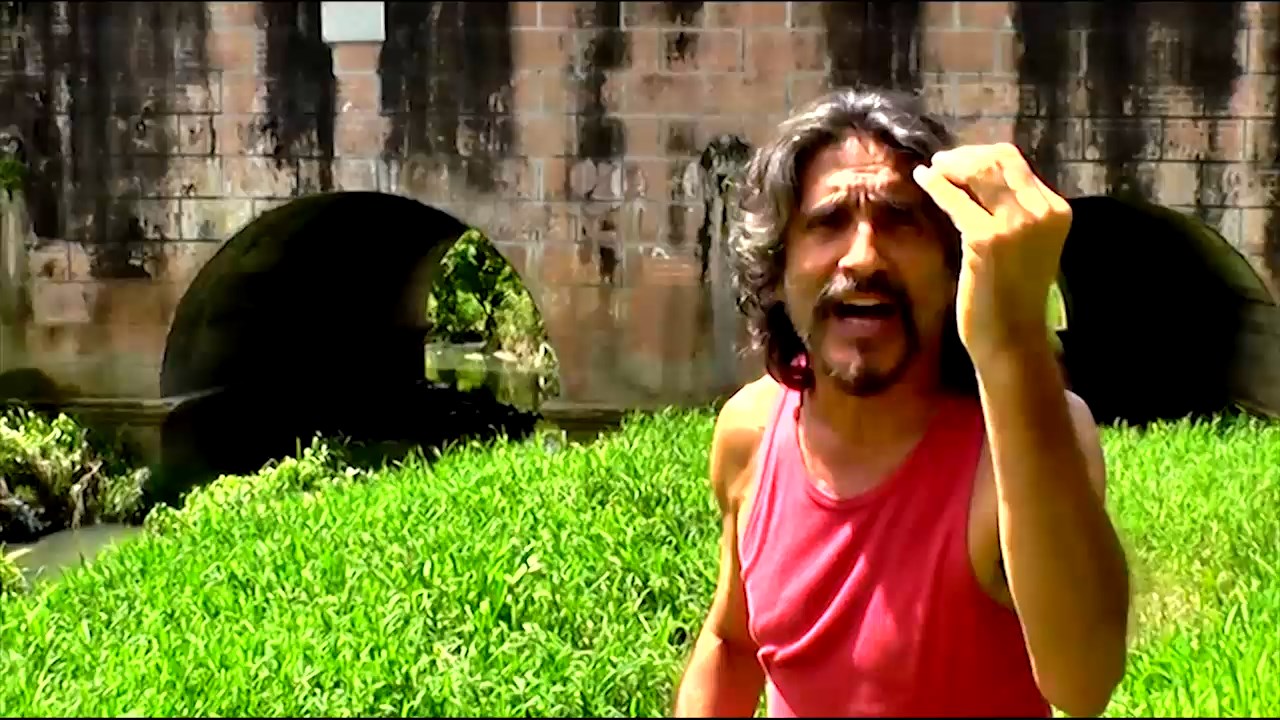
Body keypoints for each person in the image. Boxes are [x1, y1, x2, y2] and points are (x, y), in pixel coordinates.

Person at [672, 87, 1131, 718]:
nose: (863, 256)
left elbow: (1084, 683)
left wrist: (1015, 340)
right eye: (828, 222)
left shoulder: (1022, 442)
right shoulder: (750, 431)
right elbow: (732, 642)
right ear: (778, 270)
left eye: (899, 221)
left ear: (953, 267)